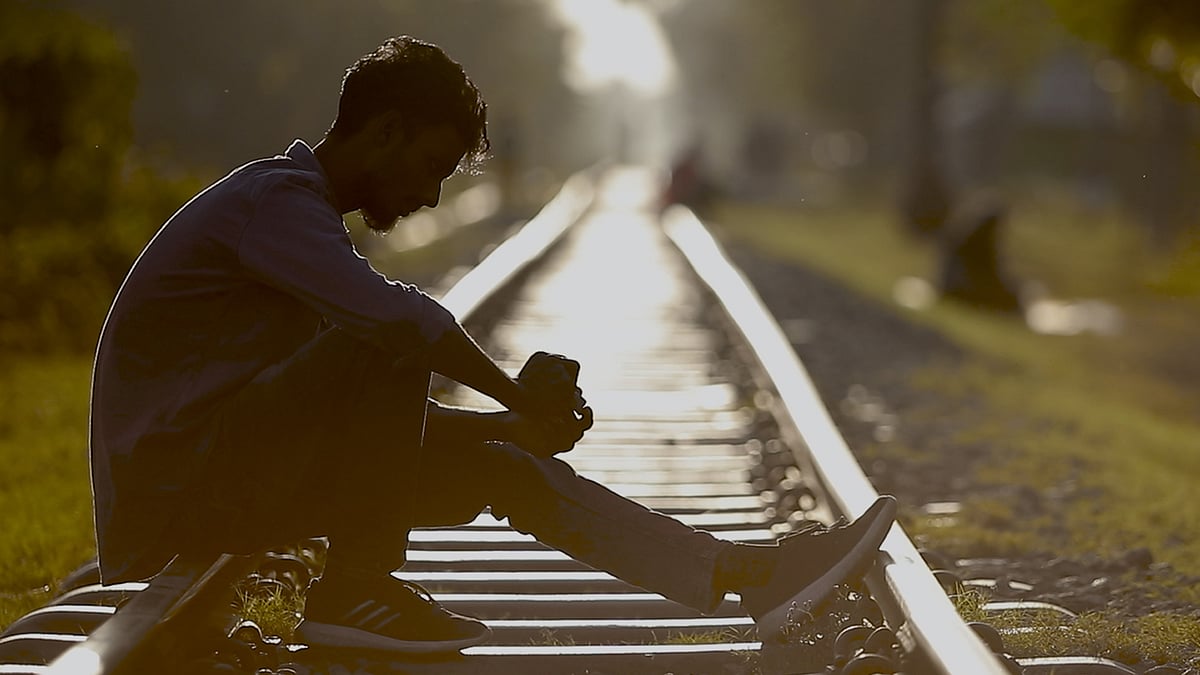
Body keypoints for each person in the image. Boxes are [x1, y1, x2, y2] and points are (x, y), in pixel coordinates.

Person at [88, 36, 896, 653]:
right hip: (182, 489)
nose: (431, 195)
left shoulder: (303, 228)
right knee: (396, 331)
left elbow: (360, 426)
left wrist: (511, 428)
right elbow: (397, 327)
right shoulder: (276, 203)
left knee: (498, 465)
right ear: (385, 131)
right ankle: (356, 588)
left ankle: (748, 576)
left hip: (225, 474)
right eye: (429, 166)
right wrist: (516, 391)